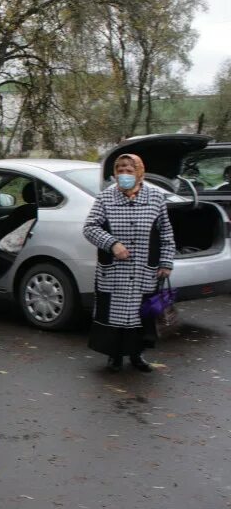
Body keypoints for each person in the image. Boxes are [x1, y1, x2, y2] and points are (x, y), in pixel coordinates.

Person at [82, 154, 174, 373]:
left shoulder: (156, 198)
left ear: (140, 173)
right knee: (113, 313)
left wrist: (166, 262)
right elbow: (90, 228)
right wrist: (112, 244)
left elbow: (166, 232)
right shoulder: (106, 198)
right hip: (114, 271)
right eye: (120, 170)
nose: (124, 174)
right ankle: (114, 355)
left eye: (129, 170)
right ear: (114, 174)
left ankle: (137, 355)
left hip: (144, 269)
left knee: (140, 313)